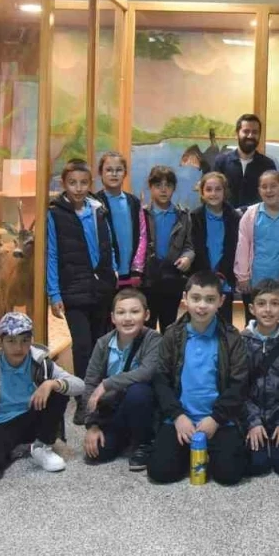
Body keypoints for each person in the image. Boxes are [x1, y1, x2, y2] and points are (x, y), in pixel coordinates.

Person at [147, 272, 249, 486]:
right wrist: (177, 416)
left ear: (221, 301)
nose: (202, 306)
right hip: (181, 418)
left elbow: (239, 384)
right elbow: (161, 379)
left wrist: (216, 418)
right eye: (196, 298)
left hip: (219, 420)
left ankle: (212, 450)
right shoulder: (172, 334)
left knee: (229, 475)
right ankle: (188, 450)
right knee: (160, 472)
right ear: (185, 298)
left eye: (210, 299)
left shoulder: (231, 337)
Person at [0, 313, 85, 482]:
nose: (18, 347)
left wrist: (51, 384)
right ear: (0, 342)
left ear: (31, 340)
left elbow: (80, 385)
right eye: (11, 341)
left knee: (58, 390)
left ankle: (42, 446)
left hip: (34, 415)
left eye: (25, 340)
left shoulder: (41, 362)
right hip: (4, 423)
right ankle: (18, 449)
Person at [46, 158, 118, 424]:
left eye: (83, 183)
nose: (78, 188)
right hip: (73, 290)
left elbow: (108, 245)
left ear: (91, 184)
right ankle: (83, 400)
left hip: (102, 288)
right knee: (83, 346)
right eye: (72, 183)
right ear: (63, 184)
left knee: (102, 344)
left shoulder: (98, 210)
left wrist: (112, 273)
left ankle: (100, 398)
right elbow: (52, 254)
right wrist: (54, 293)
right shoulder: (55, 214)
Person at [82, 289, 162, 471]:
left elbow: (147, 372)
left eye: (135, 312)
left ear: (146, 315)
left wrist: (107, 383)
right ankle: (125, 436)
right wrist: (92, 425)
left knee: (138, 391)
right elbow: (90, 383)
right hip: (113, 410)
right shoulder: (103, 343)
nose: (127, 318)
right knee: (97, 453)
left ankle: (143, 443)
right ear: (113, 317)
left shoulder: (154, 340)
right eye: (121, 312)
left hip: (143, 407)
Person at [241, 280, 279, 477]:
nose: (268, 310)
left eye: (274, 304)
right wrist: (253, 422)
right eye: (261, 304)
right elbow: (239, 387)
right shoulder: (241, 342)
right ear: (252, 309)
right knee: (257, 466)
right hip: (252, 416)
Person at [233, 169, 279, 323]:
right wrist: (242, 276)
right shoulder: (250, 215)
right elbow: (242, 247)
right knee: (252, 322)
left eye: (273, 186)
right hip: (253, 280)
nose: (269, 190)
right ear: (259, 190)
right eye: (264, 187)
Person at [142, 165, 195, 333]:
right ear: (150, 187)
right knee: (147, 327)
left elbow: (189, 245)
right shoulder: (142, 214)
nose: (163, 190)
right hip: (148, 278)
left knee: (169, 326)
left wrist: (187, 257)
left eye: (168, 186)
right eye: (158, 185)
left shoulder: (183, 215)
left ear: (174, 188)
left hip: (172, 278)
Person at [189, 171, 240, 325]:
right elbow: (195, 247)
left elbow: (234, 248)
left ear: (225, 191)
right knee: (201, 321)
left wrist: (222, 274)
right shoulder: (194, 217)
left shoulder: (234, 217)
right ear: (202, 193)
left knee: (224, 323)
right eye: (209, 189)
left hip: (225, 278)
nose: (213, 194)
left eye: (218, 189)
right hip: (201, 278)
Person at [94, 151, 147, 287]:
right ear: (100, 173)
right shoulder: (94, 203)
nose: (114, 174)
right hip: (105, 273)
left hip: (131, 274)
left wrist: (137, 268)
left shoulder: (134, 202)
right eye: (109, 170)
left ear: (125, 173)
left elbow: (142, 235)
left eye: (118, 170)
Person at [211, 113, 277, 210]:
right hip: (225, 217)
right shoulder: (221, 162)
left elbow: (272, 197)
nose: (250, 135)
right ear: (237, 133)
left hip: (257, 218)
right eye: (246, 131)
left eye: (255, 132)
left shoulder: (268, 165)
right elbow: (213, 194)